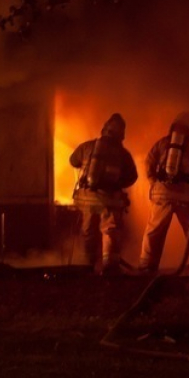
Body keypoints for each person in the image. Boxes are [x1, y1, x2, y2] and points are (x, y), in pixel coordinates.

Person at [137, 112, 189, 273]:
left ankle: (147, 265)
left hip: (162, 193)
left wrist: (153, 182)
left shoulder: (162, 143)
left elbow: (149, 162)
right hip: (186, 196)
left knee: (154, 230)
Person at [69, 113, 138, 276]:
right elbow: (132, 177)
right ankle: (110, 266)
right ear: (122, 134)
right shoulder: (123, 154)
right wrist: (117, 184)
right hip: (111, 199)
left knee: (88, 231)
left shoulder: (87, 146)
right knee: (111, 231)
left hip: (89, 197)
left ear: (104, 129)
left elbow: (73, 161)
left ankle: (88, 265)